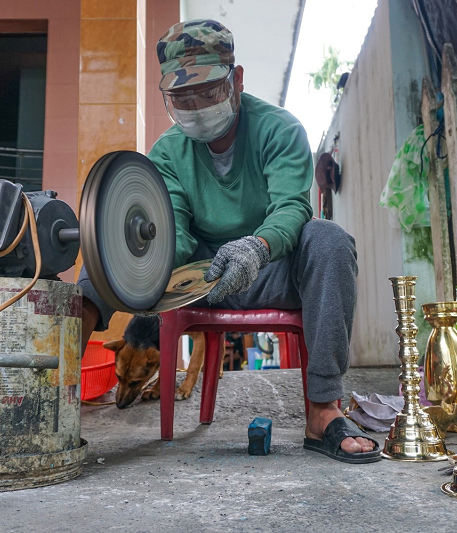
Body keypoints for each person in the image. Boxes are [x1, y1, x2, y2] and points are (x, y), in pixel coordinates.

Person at [78, 19, 379, 463]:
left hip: (272, 269)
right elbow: (174, 236)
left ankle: (323, 411)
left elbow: (292, 209)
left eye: (207, 91)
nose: (195, 106)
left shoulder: (280, 130)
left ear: (236, 80)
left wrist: (256, 248)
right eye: (181, 98)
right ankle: (56, 398)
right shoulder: (166, 153)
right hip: (197, 275)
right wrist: (140, 262)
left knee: (329, 239)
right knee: (102, 255)